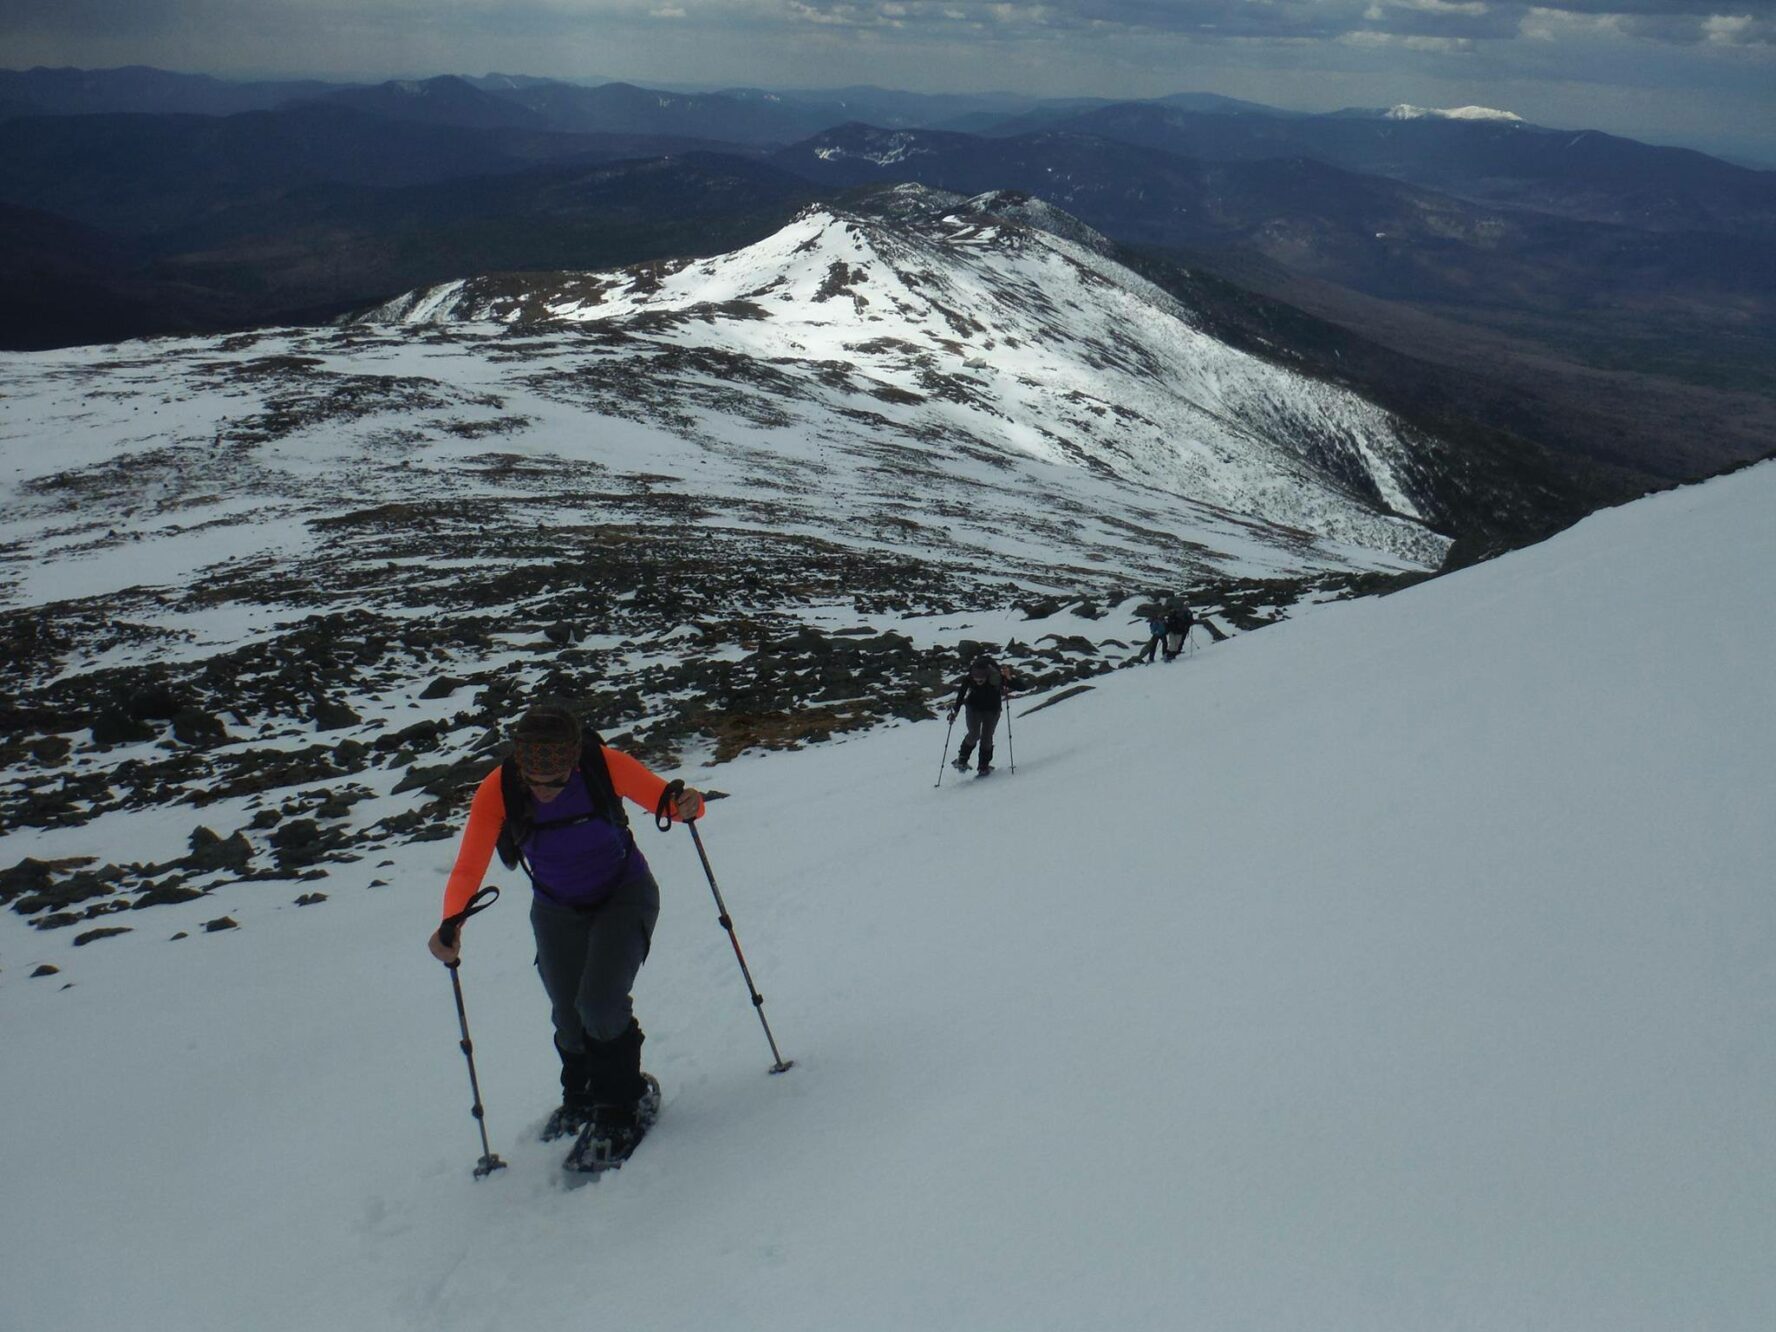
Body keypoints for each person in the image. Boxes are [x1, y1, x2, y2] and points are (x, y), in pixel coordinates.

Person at [427, 702, 706, 1152]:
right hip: (556, 909)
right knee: (567, 1014)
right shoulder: (500, 788)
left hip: (624, 894)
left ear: (573, 761)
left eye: (554, 780)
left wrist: (691, 804)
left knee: (598, 1004)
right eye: (533, 781)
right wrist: (450, 922)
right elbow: (468, 867)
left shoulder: (602, 765)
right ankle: (582, 1096)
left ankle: (622, 1105)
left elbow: (672, 804)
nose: (543, 791)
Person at [947, 653, 1014, 775]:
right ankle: (962, 760)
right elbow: (961, 694)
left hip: (992, 709)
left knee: (987, 737)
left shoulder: (996, 678)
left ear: (987, 675)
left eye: (981, 680)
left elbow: (1021, 687)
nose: (978, 681)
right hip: (973, 708)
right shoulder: (970, 678)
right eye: (975, 679)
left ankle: (983, 766)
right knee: (974, 734)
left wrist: (1008, 678)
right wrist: (955, 712)